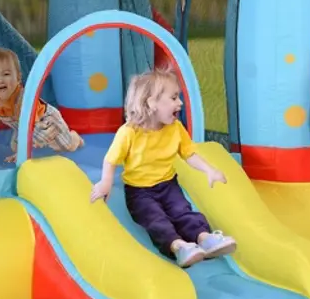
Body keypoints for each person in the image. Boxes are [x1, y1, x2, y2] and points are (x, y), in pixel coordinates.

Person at [89, 66, 237, 268]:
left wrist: (209, 170)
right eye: (174, 97)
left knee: (182, 211)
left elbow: (189, 153)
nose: (180, 103)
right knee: (156, 219)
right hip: (140, 192)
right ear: (151, 103)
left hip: (168, 185)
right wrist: (105, 183)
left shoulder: (175, 128)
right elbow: (111, 159)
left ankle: (204, 238)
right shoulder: (129, 132)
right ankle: (179, 247)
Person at [0, 48, 83, 164]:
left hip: (46, 120)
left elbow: (31, 127)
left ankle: (74, 138)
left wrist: (22, 154)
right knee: (14, 146)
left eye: (6, 74)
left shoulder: (23, 99)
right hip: (24, 126)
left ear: (18, 78)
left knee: (64, 146)